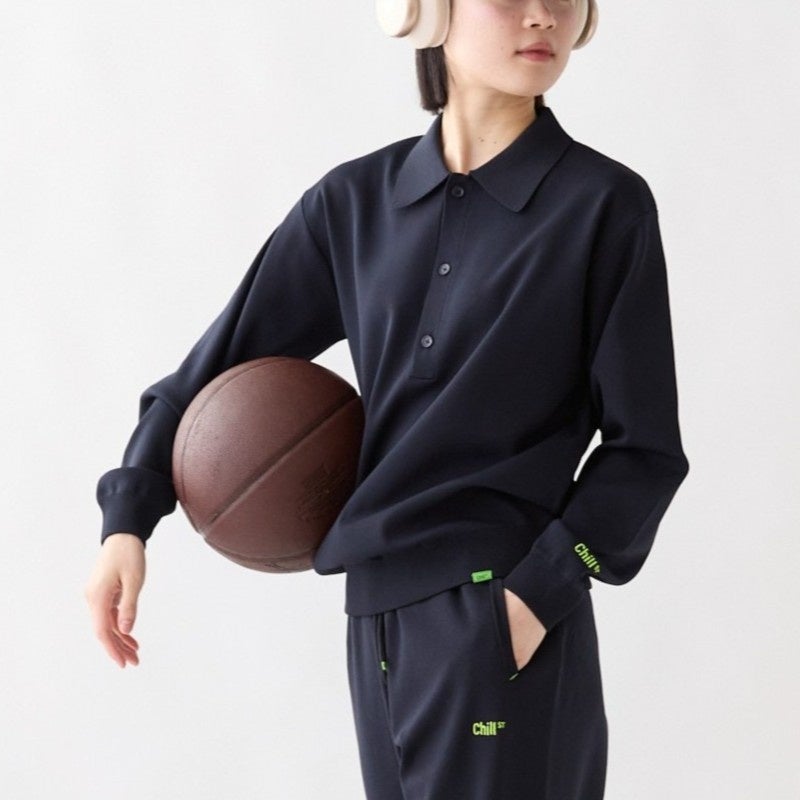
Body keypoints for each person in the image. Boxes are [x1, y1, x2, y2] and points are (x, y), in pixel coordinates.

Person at [85, 1, 690, 797]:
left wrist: (536, 597)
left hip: (501, 608)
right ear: (428, 10)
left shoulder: (602, 206)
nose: (544, 16)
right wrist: (127, 521)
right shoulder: (353, 204)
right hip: (374, 617)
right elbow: (212, 370)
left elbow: (645, 451)